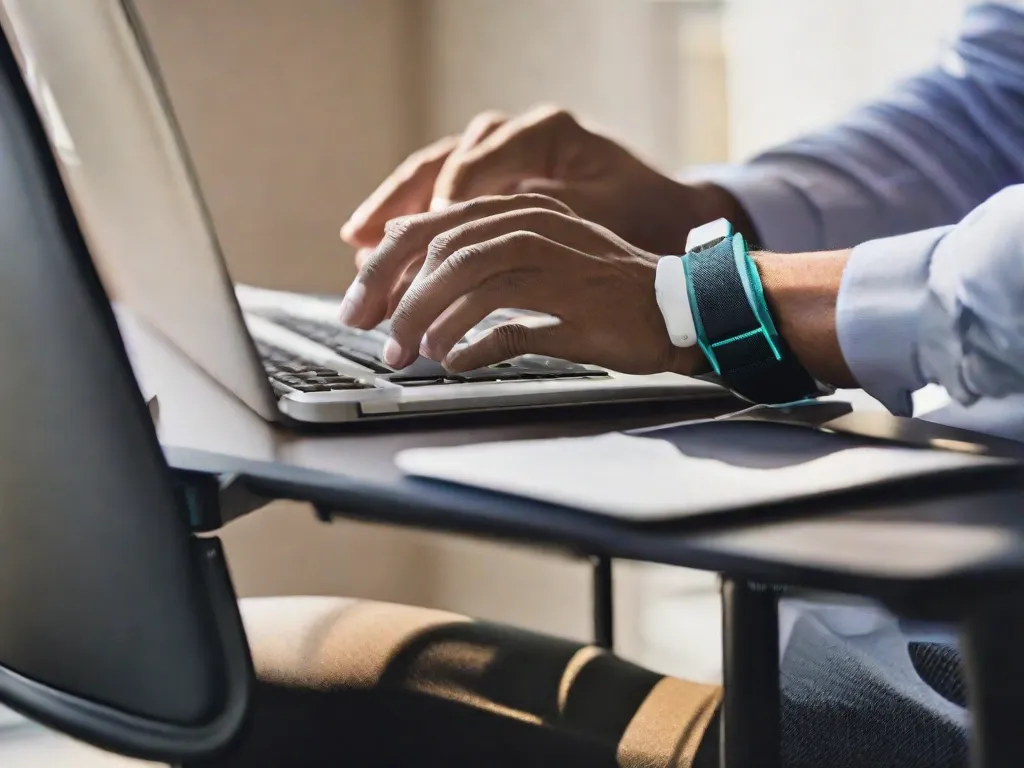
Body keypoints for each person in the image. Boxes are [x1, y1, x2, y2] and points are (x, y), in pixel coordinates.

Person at [214, 3, 1023, 766]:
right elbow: (996, 101)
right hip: (865, 657)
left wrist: (708, 300)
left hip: (956, 702)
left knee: (258, 669)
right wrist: (701, 211)